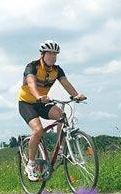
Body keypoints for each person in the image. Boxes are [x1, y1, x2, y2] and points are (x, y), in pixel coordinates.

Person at [18, 40, 86, 181]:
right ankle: (30, 163)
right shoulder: (32, 66)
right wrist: (38, 96)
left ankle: (60, 150)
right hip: (27, 103)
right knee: (38, 130)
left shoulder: (57, 70)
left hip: (43, 102)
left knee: (62, 116)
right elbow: (31, 83)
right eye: (50, 54)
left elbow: (66, 84)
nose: (53, 57)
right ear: (43, 54)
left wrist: (76, 95)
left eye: (55, 54)